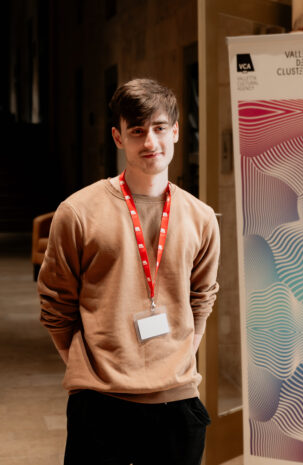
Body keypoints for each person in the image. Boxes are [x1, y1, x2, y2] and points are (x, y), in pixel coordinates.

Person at [38, 78, 220, 464]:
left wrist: (178, 359)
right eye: (137, 131)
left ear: (175, 131)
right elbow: (56, 304)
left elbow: (201, 299)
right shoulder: (77, 212)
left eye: (158, 128)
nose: (150, 142)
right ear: (118, 138)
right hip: (100, 403)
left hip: (178, 403)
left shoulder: (201, 217)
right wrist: (88, 366)